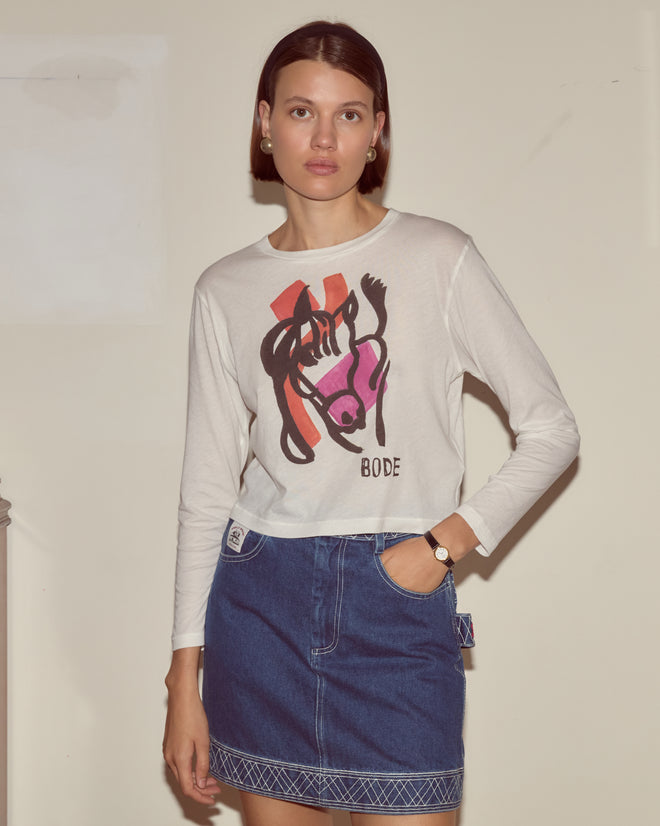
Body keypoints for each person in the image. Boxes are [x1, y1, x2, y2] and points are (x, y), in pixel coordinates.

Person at [163, 20, 580, 826]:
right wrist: (186, 678)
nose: (324, 138)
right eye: (300, 111)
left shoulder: (436, 257)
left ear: (377, 131)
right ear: (263, 122)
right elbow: (206, 490)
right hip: (260, 605)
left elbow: (552, 427)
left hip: (397, 607)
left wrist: (441, 547)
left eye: (349, 114)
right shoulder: (226, 288)